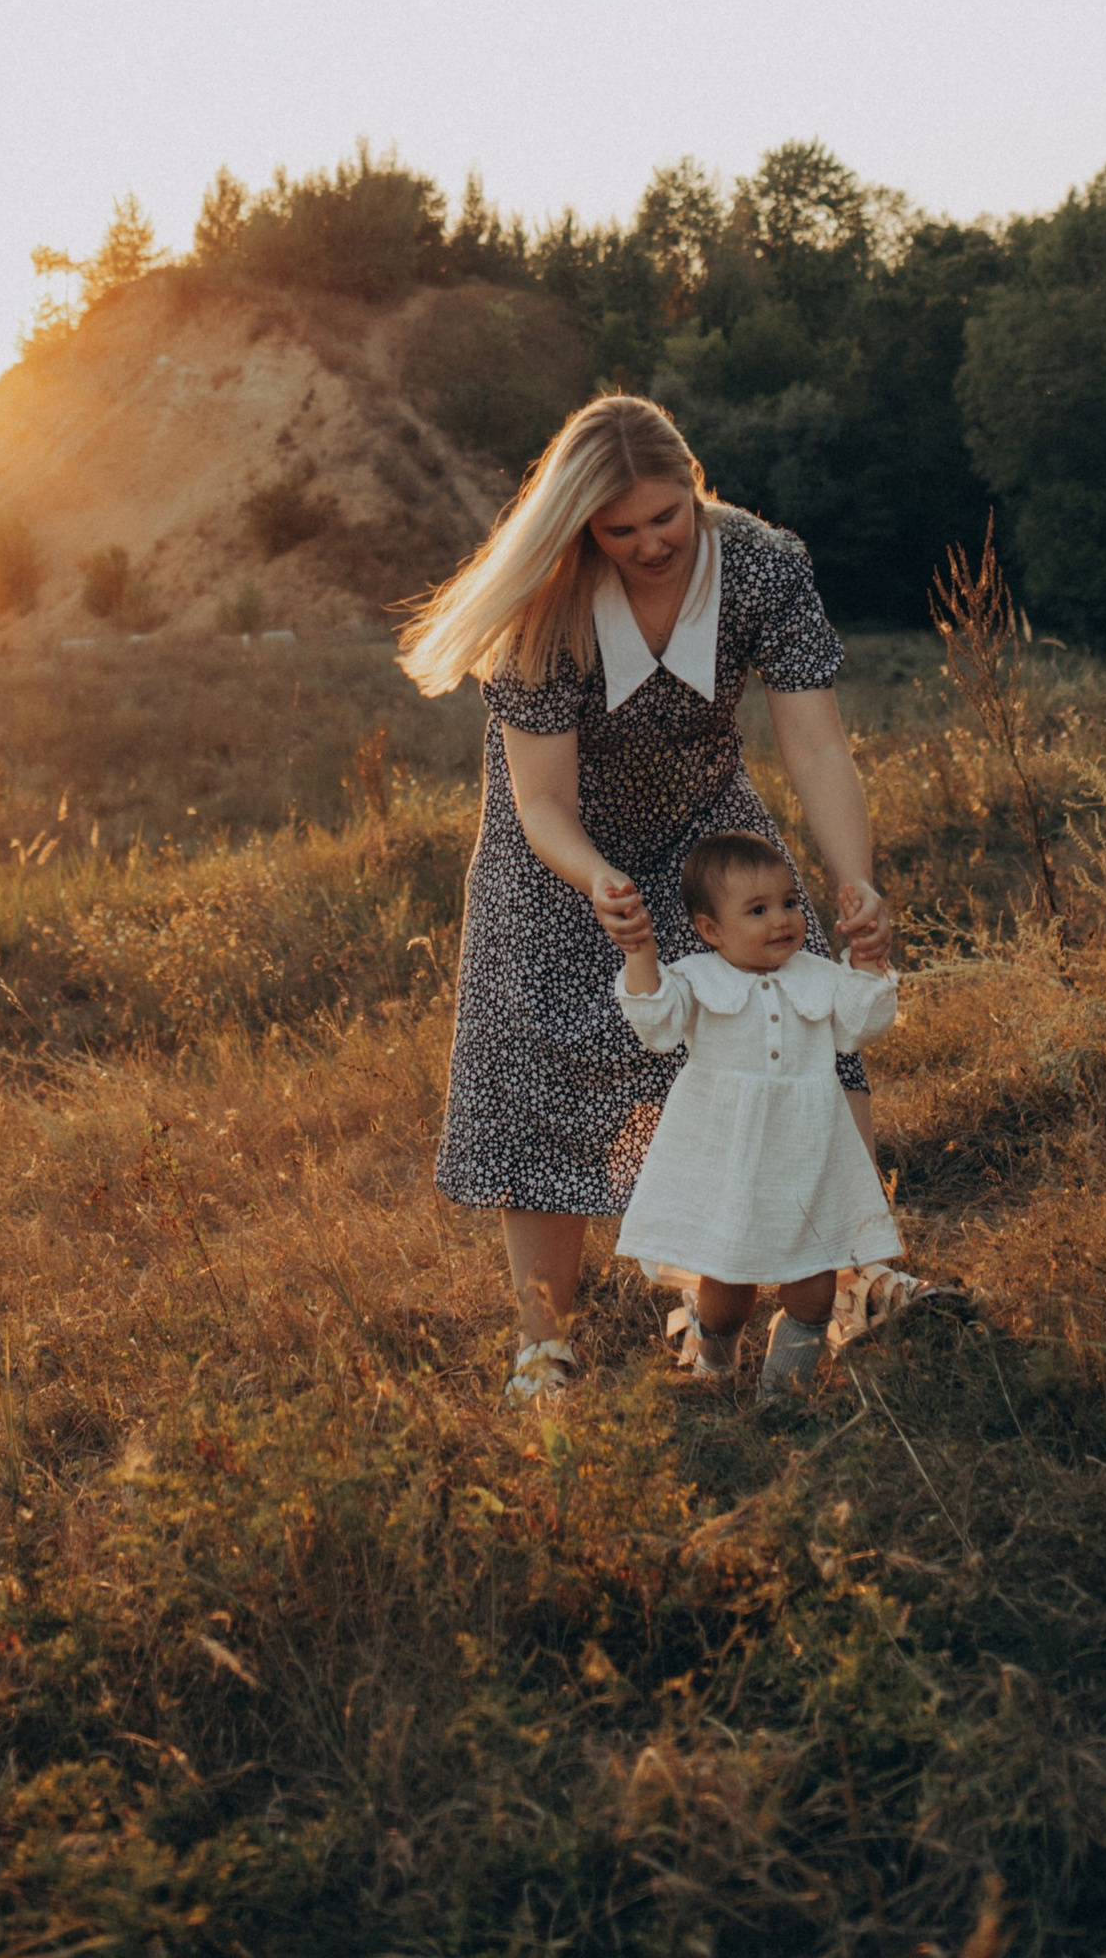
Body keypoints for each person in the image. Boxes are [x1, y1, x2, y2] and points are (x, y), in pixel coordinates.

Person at [400, 392, 935, 1402]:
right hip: (561, 851)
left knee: (805, 1017)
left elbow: (815, 743)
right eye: (620, 530)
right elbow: (542, 800)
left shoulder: (763, 566)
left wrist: (852, 876)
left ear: (695, 490)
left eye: (667, 516)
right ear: (581, 529)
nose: (651, 544)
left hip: (706, 831)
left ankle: (853, 1278)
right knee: (547, 1067)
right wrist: (597, 879)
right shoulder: (545, 603)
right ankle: (545, 1347)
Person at [613, 828, 901, 1405]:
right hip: (731, 1160)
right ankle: (714, 1368)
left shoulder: (817, 975)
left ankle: (784, 1396)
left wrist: (868, 961)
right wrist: (641, 955)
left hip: (808, 1154)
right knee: (728, 1292)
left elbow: (862, 1025)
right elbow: (657, 1027)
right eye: (758, 910)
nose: (782, 920)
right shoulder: (697, 978)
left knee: (814, 1286)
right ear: (711, 930)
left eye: (790, 902)